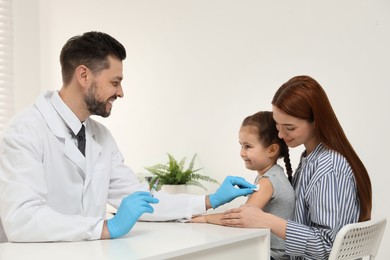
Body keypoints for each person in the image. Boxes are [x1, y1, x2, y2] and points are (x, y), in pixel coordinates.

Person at [0, 31, 257, 243]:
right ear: (83, 75)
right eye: (115, 82)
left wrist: (208, 201)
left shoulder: (100, 137)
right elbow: (21, 220)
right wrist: (106, 228)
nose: (120, 92)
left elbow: (137, 198)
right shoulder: (26, 130)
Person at [221, 75, 372, 259]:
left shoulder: (329, 168)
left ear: (316, 121)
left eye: (289, 128)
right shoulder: (310, 159)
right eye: (277, 125)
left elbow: (327, 246)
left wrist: (265, 220)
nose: (281, 134)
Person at [192, 111, 295, 260]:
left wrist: (205, 218)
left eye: (248, 146)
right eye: (241, 146)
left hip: (273, 256)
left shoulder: (267, 181)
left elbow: (241, 218)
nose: (242, 153)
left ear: (272, 150)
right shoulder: (273, 175)